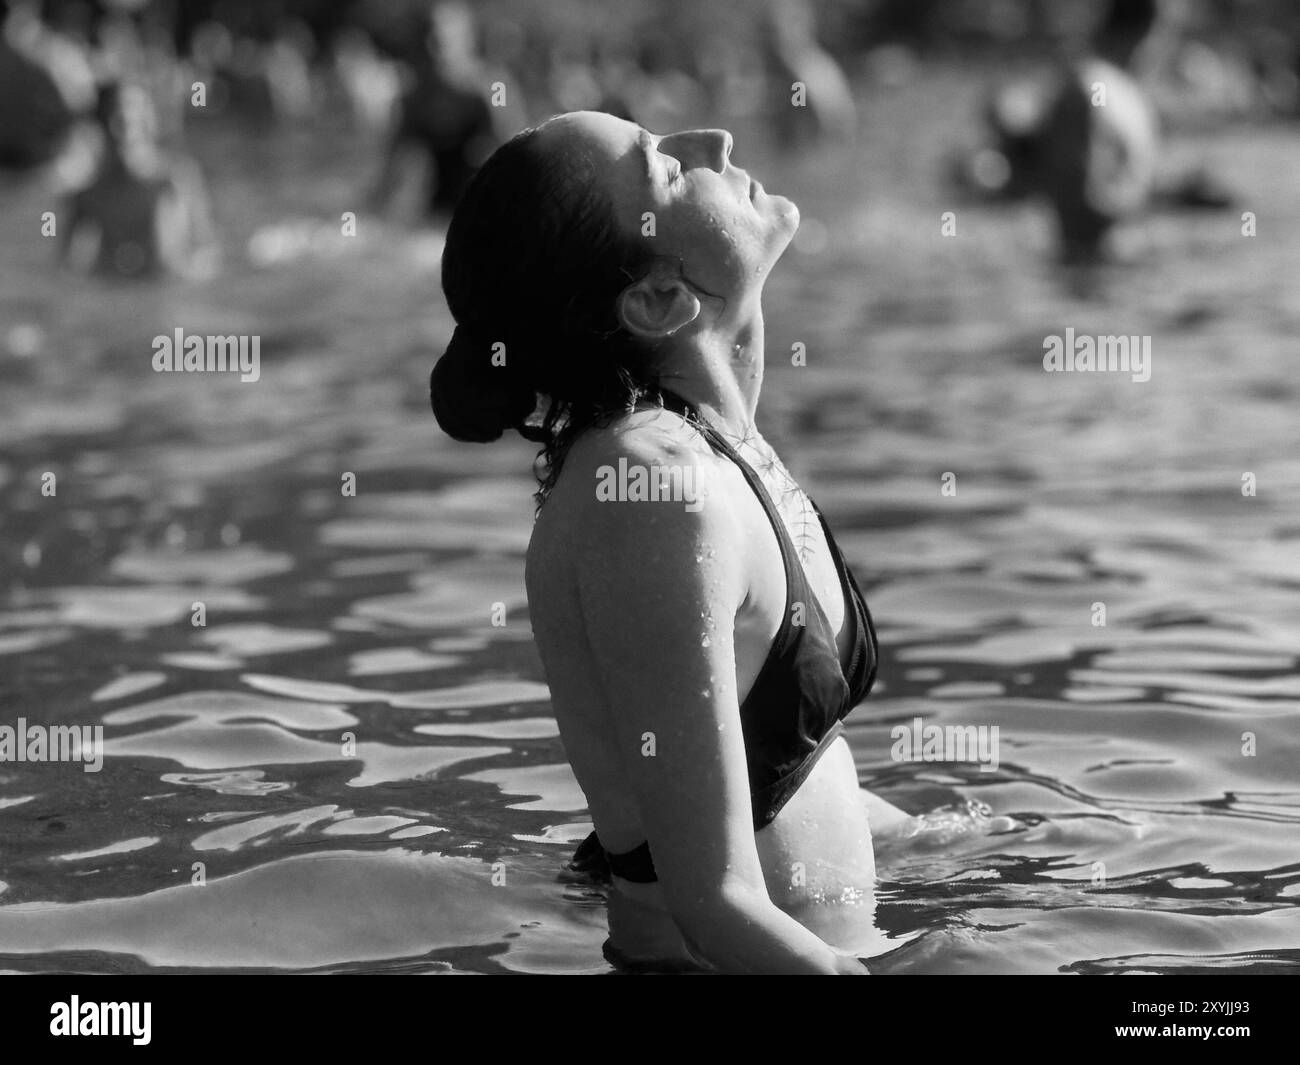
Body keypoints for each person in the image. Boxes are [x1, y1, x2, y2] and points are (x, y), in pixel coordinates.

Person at [429, 110, 911, 974]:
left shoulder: (714, 441)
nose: (714, 143)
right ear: (657, 300)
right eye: (669, 169)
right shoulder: (649, 493)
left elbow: (775, 771)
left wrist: (945, 836)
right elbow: (712, 907)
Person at [60, 81, 217, 279]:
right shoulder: (86, 195)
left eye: (132, 112)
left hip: (169, 289)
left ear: (147, 120)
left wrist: (190, 273)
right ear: (102, 123)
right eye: (116, 114)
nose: (124, 120)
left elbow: (207, 247)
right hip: (114, 294)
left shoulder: (176, 178)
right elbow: (65, 268)